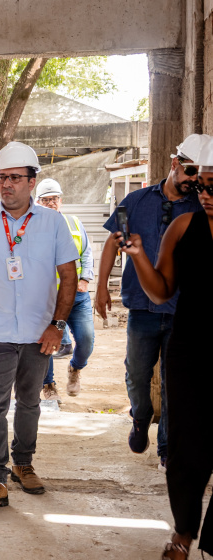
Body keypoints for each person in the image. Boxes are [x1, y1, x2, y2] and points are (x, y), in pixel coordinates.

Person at [0, 141, 78, 510]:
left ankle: (23, 463)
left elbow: (68, 276)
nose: (6, 185)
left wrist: (58, 324)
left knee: (30, 403)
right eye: (2, 178)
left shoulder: (54, 223)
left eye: (15, 178)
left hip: (39, 332)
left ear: (32, 182)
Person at [119, 139, 213, 560]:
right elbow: (161, 292)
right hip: (190, 347)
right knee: (185, 445)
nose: (206, 196)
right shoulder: (182, 227)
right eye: (202, 187)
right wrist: (139, 256)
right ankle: (184, 531)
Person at [95, 134, 206, 470]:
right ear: (175, 164)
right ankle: (141, 416)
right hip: (142, 308)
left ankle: (167, 449)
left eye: (198, 177)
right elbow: (114, 243)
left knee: (176, 384)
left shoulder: (201, 209)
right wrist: (101, 287)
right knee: (137, 375)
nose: (192, 181)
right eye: (188, 171)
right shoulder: (136, 201)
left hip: (181, 311)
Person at [34, 179, 96, 402]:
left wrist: (86, 278)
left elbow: (86, 252)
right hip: (48, 300)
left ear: (61, 200)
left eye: (54, 199)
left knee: (86, 339)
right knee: (47, 342)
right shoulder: (31, 228)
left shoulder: (74, 223)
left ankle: (75, 368)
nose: (51, 203)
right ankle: (48, 384)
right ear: (38, 202)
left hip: (77, 298)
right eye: (46, 200)